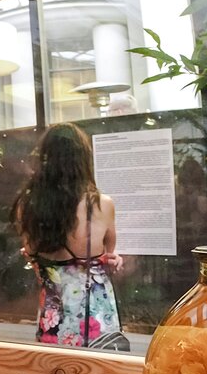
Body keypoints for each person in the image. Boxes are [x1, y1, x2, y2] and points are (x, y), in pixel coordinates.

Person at [12, 122, 125, 348]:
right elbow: (108, 254)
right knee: (99, 366)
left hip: (53, 315)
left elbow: (32, 256)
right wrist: (112, 260)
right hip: (96, 317)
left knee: (54, 367)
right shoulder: (101, 205)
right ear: (83, 159)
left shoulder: (28, 206)